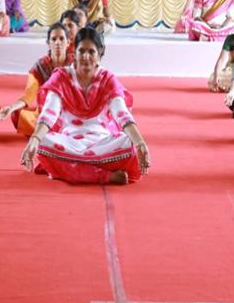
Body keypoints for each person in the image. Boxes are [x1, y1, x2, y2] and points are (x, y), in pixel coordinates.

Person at [20, 28, 151, 185]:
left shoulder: (107, 79)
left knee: (129, 142)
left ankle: (76, 170)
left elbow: (122, 115)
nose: (86, 57)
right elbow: (49, 114)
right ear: (74, 53)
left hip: (102, 143)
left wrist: (140, 143)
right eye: (81, 51)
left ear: (99, 55)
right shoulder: (61, 77)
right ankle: (106, 175)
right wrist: (34, 140)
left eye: (91, 52)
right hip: (68, 143)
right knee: (43, 143)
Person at [0, 23, 72, 136]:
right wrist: (11, 107)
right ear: (48, 43)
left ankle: (49, 132)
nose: (58, 43)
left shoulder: (75, 64)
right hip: (47, 112)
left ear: (68, 43)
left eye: (61, 39)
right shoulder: (40, 66)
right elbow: (28, 95)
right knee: (18, 114)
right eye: (54, 39)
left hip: (70, 112)